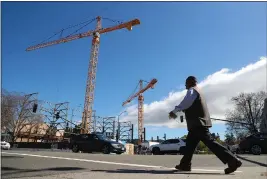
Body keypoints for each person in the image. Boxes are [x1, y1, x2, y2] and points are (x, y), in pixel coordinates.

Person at [168, 76, 242, 174]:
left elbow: (187, 102)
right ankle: (185, 164)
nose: (185, 85)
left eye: (186, 83)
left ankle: (233, 161)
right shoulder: (199, 92)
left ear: (190, 82)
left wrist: (175, 110)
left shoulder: (192, 90)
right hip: (197, 124)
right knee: (189, 145)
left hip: (198, 123)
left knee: (211, 143)